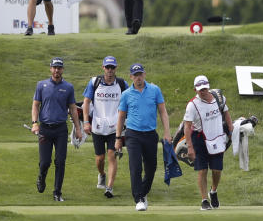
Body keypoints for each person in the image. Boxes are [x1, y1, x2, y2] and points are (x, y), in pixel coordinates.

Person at [114, 63, 171, 211]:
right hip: (133, 135)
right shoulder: (126, 94)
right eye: (135, 75)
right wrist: (118, 138)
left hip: (151, 134)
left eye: (140, 74)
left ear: (144, 74)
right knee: (135, 166)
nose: (138, 78)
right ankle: (138, 198)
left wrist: (167, 132)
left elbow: (163, 112)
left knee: (151, 168)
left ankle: (144, 192)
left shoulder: (154, 90)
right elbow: (120, 117)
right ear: (131, 77)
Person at [30, 57, 82, 202]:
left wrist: (78, 129)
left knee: (60, 161)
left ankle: (57, 192)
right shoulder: (41, 85)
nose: (57, 70)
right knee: (45, 162)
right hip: (45, 129)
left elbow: (72, 108)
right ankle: (42, 175)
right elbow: (35, 105)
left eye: (59, 68)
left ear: (62, 69)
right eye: (54, 67)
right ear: (51, 69)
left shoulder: (68, 87)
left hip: (60, 129)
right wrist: (35, 123)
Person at [182, 75, 233, 210]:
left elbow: (226, 113)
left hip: (217, 137)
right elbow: (187, 127)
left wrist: (231, 130)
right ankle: (204, 200)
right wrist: (190, 147)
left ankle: (213, 191)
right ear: (195, 90)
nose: (203, 91)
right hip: (199, 139)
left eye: (204, 88)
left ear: (208, 87)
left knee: (217, 170)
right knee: (202, 170)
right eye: (200, 89)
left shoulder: (218, 97)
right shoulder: (192, 105)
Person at [82, 55, 128, 198]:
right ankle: (102, 174)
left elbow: (129, 101)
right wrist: (86, 122)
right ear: (103, 68)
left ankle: (109, 187)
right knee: (100, 159)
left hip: (115, 128)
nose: (109, 70)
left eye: (112, 67)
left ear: (116, 68)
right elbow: (86, 102)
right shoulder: (94, 82)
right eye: (107, 67)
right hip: (97, 126)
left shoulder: (121, 84)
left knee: (111, 156)